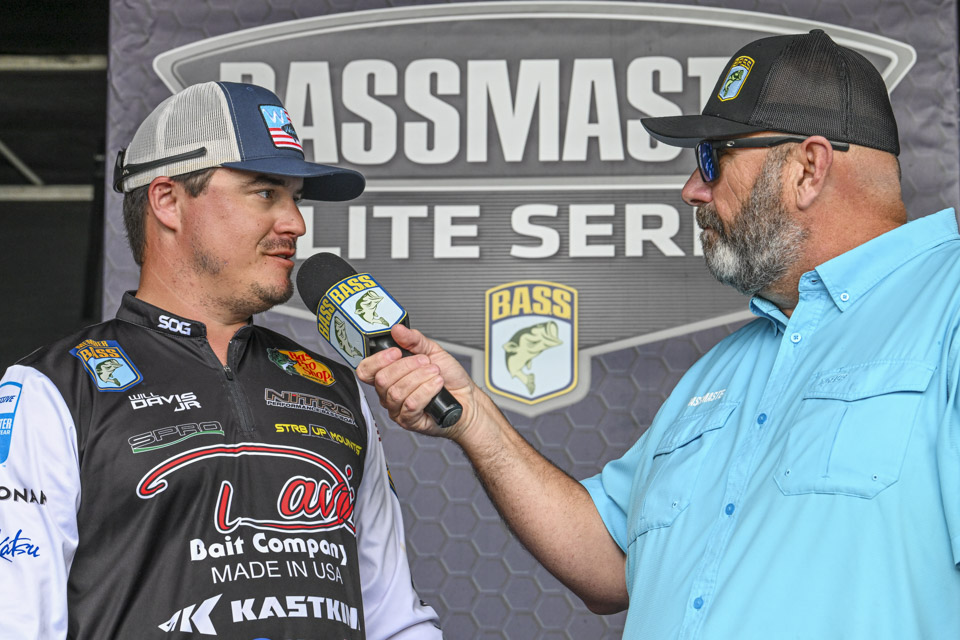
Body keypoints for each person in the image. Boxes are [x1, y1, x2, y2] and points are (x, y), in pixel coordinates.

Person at [356, 29, 960, 638]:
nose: (692, 189)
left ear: (808, 167)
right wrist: (473, 419)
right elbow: (609, 560)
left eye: (712, 159)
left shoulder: (949, 307)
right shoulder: (724, 371)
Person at [0, 81, 441, 639]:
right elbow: (18, 620)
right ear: (167, 201)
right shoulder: (53, 389)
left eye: (296, 198)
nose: (296, 223)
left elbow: (395, 621)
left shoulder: (337, 387)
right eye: (265, 192)